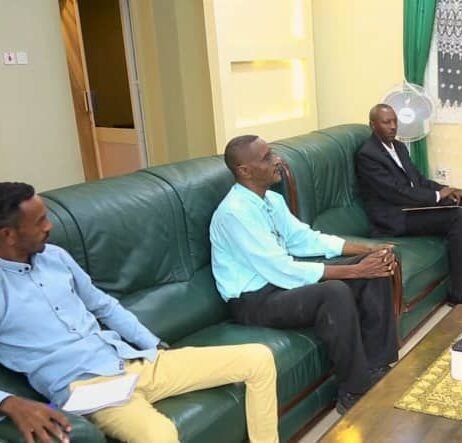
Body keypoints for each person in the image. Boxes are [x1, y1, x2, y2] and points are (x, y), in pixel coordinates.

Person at [0, 182, 278, 443]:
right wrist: (8, 402)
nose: (49, 226)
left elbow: (103, 305)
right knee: (160, 435)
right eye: (39, 222)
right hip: (88, 389)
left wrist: (151, 343)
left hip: (131, 359)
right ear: (8, 234)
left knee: (258, 358)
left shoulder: (55, 257)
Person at [210, 135, 399, 415]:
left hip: (279, 287)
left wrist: (370, 250)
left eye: (273, 153)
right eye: (267, 158)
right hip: (253, 301)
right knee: (334, 291)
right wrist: (353, 270)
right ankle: (353, 391)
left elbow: (305, 240)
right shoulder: (234, 213)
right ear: (245, 171)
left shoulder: (271, 200)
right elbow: (280, 268)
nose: (277, 161)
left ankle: (377, 366)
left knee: (376, 266)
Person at [355, 104, 462, 307]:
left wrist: (447, 189)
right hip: (394, 217)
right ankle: (457, 291)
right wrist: (437, 196)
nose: (393, 126)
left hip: (413, 206)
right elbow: (395, 192)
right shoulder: (368, 155)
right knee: (458, 215)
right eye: (386, 122)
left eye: (395, 121)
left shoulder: (399, 147)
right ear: (373, 125)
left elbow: (418, 180)